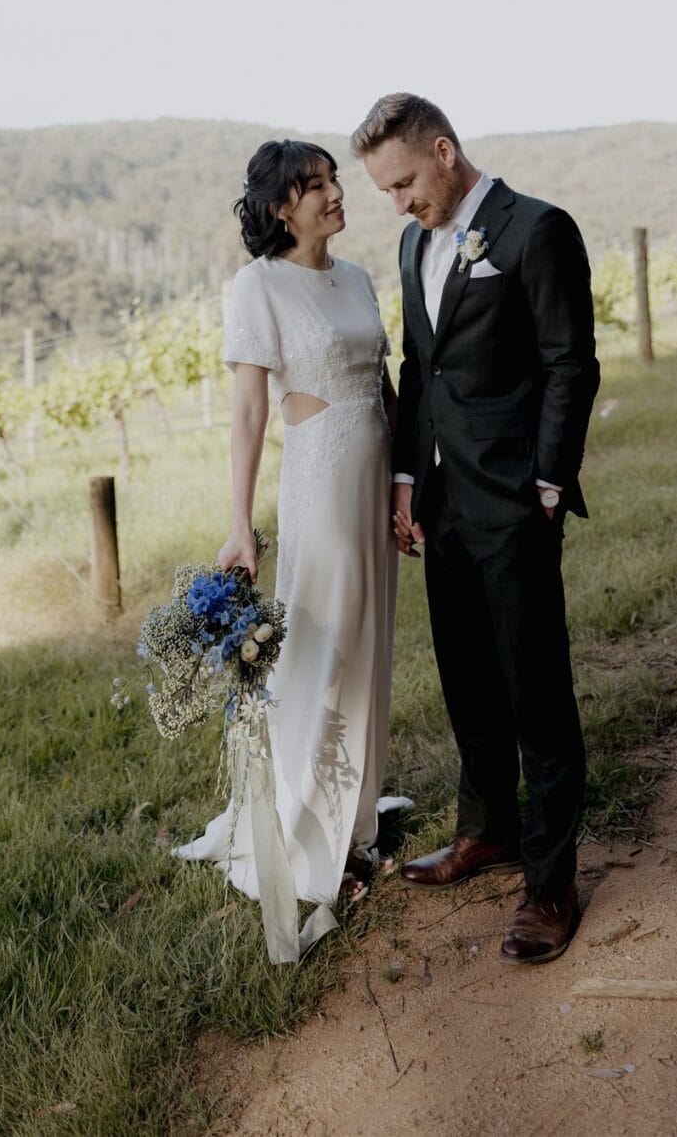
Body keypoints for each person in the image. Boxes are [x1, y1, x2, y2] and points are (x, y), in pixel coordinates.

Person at [352, 93, 600, 965]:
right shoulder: (413, 243)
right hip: (442, 502)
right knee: (467, 675)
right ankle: (486, 829)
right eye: (385, 191)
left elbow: (571, 363)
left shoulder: (538, 230)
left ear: (444, 153)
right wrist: (407, 479)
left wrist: (547, 482)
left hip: (515, 500)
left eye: (404, 183)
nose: (398, 204)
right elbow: (422, 367)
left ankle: (551, 881)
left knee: (535, 685)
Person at [175, 139, 406, 958]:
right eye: (316, 186)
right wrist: (240, 523)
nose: (336, 193)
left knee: (370, 646)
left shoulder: (359, 277)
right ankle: (307, 836)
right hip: (321, 482)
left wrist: (407, 484)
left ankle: (355, 820)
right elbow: (249, 410)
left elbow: (384, 385)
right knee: (321, 649)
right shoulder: (259, 285)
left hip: (375, 476)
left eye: (335, 180)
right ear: (281, 207)